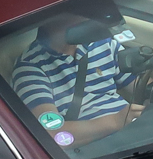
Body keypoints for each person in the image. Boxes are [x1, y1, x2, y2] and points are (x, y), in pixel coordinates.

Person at [9, 11, 141, 150]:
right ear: (50, 19)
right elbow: (54, 135)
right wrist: (116, 121)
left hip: (135, 130)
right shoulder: (30, 69)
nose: (89, 17)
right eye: (79, 12)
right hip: (99, 149)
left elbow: (141, 87)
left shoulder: (101, 43)